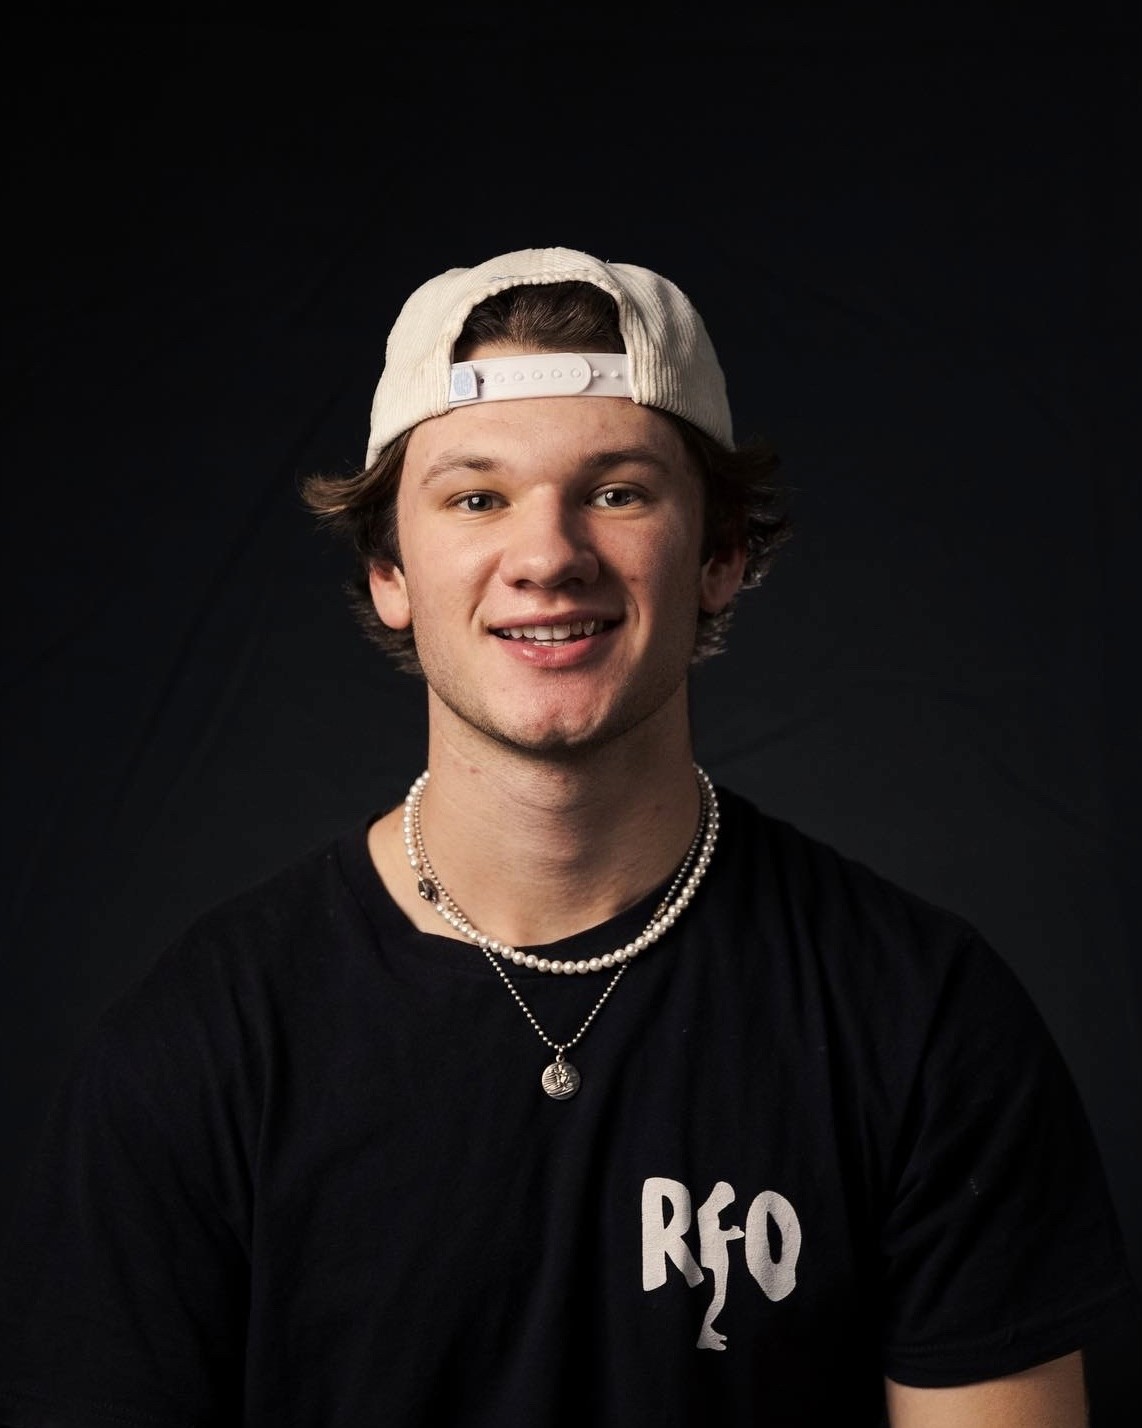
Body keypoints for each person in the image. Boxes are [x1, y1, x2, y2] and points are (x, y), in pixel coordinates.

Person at [0, 245, 1137, 1426]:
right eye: (476, 497)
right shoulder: (195, 1054)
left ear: (719, 555)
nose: (546, 556)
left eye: (617, 490)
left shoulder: (921, 1019)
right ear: (390, 566)